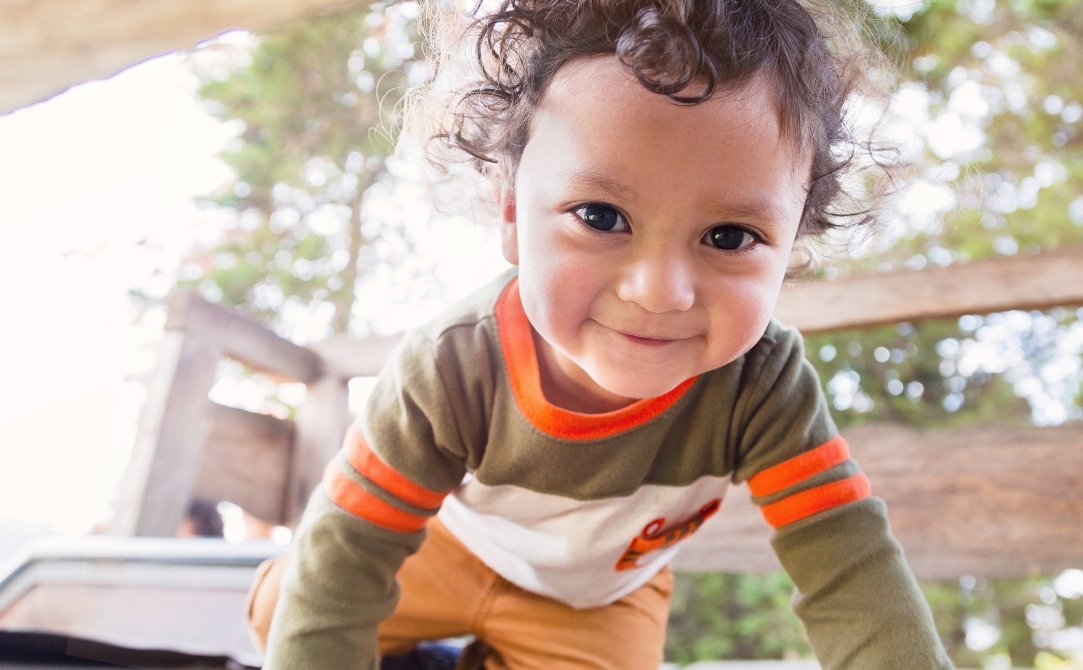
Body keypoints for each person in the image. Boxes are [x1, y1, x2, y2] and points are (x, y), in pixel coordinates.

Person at [247, 0, 953, 668]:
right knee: (290, 612)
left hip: (599, 599)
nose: (660, 291)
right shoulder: (452, 366)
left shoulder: (762, 386)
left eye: (729, 235)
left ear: (793, 242)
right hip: (451, 549)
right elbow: (349, 545)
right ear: (513, 210)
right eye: (601, 216)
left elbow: (848, 561)